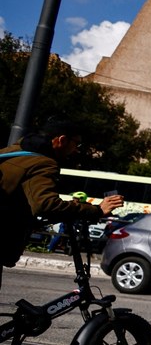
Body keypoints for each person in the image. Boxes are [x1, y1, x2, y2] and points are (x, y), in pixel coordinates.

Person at [1, 118, 123, 287]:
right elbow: (46, 204)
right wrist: (96, 210)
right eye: (76, 144)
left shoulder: (12, 151)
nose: (75, 150)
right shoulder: (42, 163)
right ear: (62, 140)